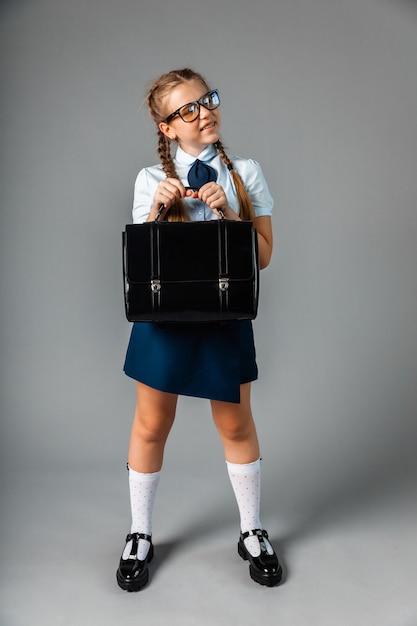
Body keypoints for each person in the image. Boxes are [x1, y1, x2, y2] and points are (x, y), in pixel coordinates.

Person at [116, 68, 282, 591]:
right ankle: (140, 534)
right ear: (168, 128)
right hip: (163, 318)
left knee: (235, 425)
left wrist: (230, 212)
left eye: (207, 100)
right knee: (149, 425)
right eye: (188, 109)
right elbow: (141, 267)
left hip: (223, 314)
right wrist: (157, 212)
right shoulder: (149, 179)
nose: (204, 112)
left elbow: (264, 257)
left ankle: (251, 530)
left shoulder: (244, 172)